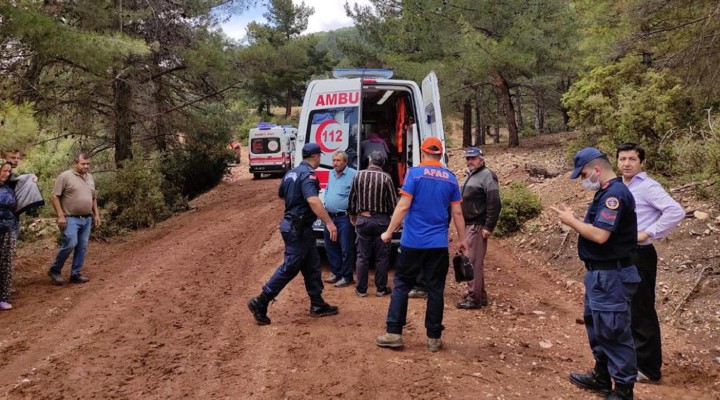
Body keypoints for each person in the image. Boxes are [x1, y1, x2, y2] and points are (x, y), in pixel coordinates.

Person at [551, 147, 640, 400]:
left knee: (614, 330)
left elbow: (601, 235)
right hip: (599, 275)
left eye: (583, 175)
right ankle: (601, 375)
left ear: (597, 170)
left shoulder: (615, 195)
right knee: (597, 327)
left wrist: (572, 222)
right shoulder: (605, 192)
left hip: (612, 276)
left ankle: (623, 390)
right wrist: (576, 219)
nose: (582, 180)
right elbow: (599, 227)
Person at [375, 137, 467, 352]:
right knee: (435, 289)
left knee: (401, 286)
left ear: (423, 152)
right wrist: (463, 240)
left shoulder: (414, 174)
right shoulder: (451, 179)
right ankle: (433, 338)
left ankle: (394, 333)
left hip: (413, 243)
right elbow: (457, 212)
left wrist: (389, 232)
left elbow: (403, 206)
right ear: (441, 154)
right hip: (437, 245)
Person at [247, 143, 340, 325]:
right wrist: (329, 223)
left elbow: (282, 194)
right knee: (290, 267)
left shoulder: (292, 172)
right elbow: (313, 200)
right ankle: (261, 301)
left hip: (298, 227)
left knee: (312, 265)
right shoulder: (308, 175)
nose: (320, 159)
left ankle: (317, 303)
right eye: (319, 156)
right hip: (298, 228)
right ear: (315, 156)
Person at [617, 143, 684, 384]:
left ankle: (649, 368)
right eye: (622, 158)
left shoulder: (648, 187)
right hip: (623, 253)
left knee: (641, 309)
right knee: (627, 309)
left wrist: (648, 232)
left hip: (640, 254)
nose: (626, 163)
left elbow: (675, 211)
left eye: (632, 159)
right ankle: (633, 360)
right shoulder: (620, 186)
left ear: (641, 162)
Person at [348, 151, 397, 297]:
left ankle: (361, 290)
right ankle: (381, 289)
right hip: (382, 221)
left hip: (363, 220)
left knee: (362, 256)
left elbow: (351, 199)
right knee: (382, 257)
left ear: (369, 161)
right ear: (382, 163)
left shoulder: (358, 175)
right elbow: (393, 203)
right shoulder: (386, 178)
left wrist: (353, 215)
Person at [458, 147, 502, 309]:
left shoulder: (487, 175)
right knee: (473, 260)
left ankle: (474, 298)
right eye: (468, 158)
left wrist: (488, 226)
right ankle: (480, 295)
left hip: (477, 225)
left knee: (472, 261)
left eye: (473, 158)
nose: (470, 161)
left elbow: (495, 202)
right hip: (469, 224)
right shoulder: (472, 175)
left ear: (481, 159)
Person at [48, 153, 101, 285]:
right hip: (70, 217)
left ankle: (75, 274)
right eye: (83, 164)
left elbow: (93, 197)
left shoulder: (90, 178)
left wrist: (97, 215)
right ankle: (55, 270)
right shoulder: (65, 176)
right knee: (71, 243)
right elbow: (55, 196)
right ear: (75, 163)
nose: (86, 166)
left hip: (87, 218)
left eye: (88, 164)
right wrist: (60, 215)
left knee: (82, 247)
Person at [322, 151, 357, 288]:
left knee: (346, 248)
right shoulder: (331, 173)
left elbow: (357, 194)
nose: (335, 163)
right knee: (330, 246)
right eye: (333, 160)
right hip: (330, 217)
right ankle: (336, 273)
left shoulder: (353, 174)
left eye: (338, 160)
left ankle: (347, 277)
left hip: (344, 217)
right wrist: (326, 201)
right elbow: (328, 189)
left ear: (345, 162)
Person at [0, 161, 18, 310]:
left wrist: (33, 178)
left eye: (8, 171)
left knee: (6, 264)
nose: (6, 174)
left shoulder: (8, 187)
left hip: (8, 229)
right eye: (3, 171)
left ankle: (3, 298)